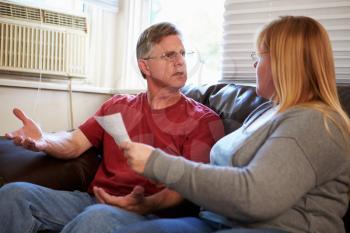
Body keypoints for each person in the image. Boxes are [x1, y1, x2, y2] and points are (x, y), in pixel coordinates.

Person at [118, 16, 350, 233]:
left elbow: (256, 196)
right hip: (216, 221)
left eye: (258, 57)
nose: (254, 66)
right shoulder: (267, 111)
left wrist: (156, 162)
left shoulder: (315, 122)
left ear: (282, 62)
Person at [0, 22, 224, 233]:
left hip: (149, 213)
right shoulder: (117, 105)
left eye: (183, 53)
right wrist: (45, 140)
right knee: (14, 194)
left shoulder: (203, 121)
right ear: (144, 66)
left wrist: (145, 204)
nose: (180, 61)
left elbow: (186, 187)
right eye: (169, 55)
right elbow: (75, 143)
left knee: (97, 217)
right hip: (94, 200)